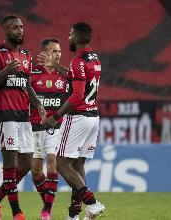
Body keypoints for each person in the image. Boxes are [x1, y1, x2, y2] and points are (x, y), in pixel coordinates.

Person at [0, 15, 46, 220]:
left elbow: (26, 86)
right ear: (5, 30)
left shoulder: (26, 55)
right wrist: (5, 72)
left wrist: (38, 104)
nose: (20, 31)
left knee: (26, 164)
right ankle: (17, 213)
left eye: (21, 27)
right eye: (15, 28)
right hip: (4, 115)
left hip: (22, 116)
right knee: (10, 165)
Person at [43, 22, 106, 220]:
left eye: (70, 34)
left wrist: (55, 116)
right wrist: (55, 66)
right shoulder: (94, 59)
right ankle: (74, 215)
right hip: (93, 116)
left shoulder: (78, 61)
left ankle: (93, 203)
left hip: (78, 117)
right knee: (78, 165)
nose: (68, 37)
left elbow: (77, 95)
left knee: (61, 163)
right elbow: (75, 79)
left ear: (77, 38)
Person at [30, 38, 67, 220]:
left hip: (55, 126)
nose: (58, 54)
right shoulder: (33, 73)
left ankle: (46, 211)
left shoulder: (64, 74)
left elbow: (76, 81)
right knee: (36, 171)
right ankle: (48, 201)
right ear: (44, 53)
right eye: (54, 51)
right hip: (34, 126)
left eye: (59, 51)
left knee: (52, 161)